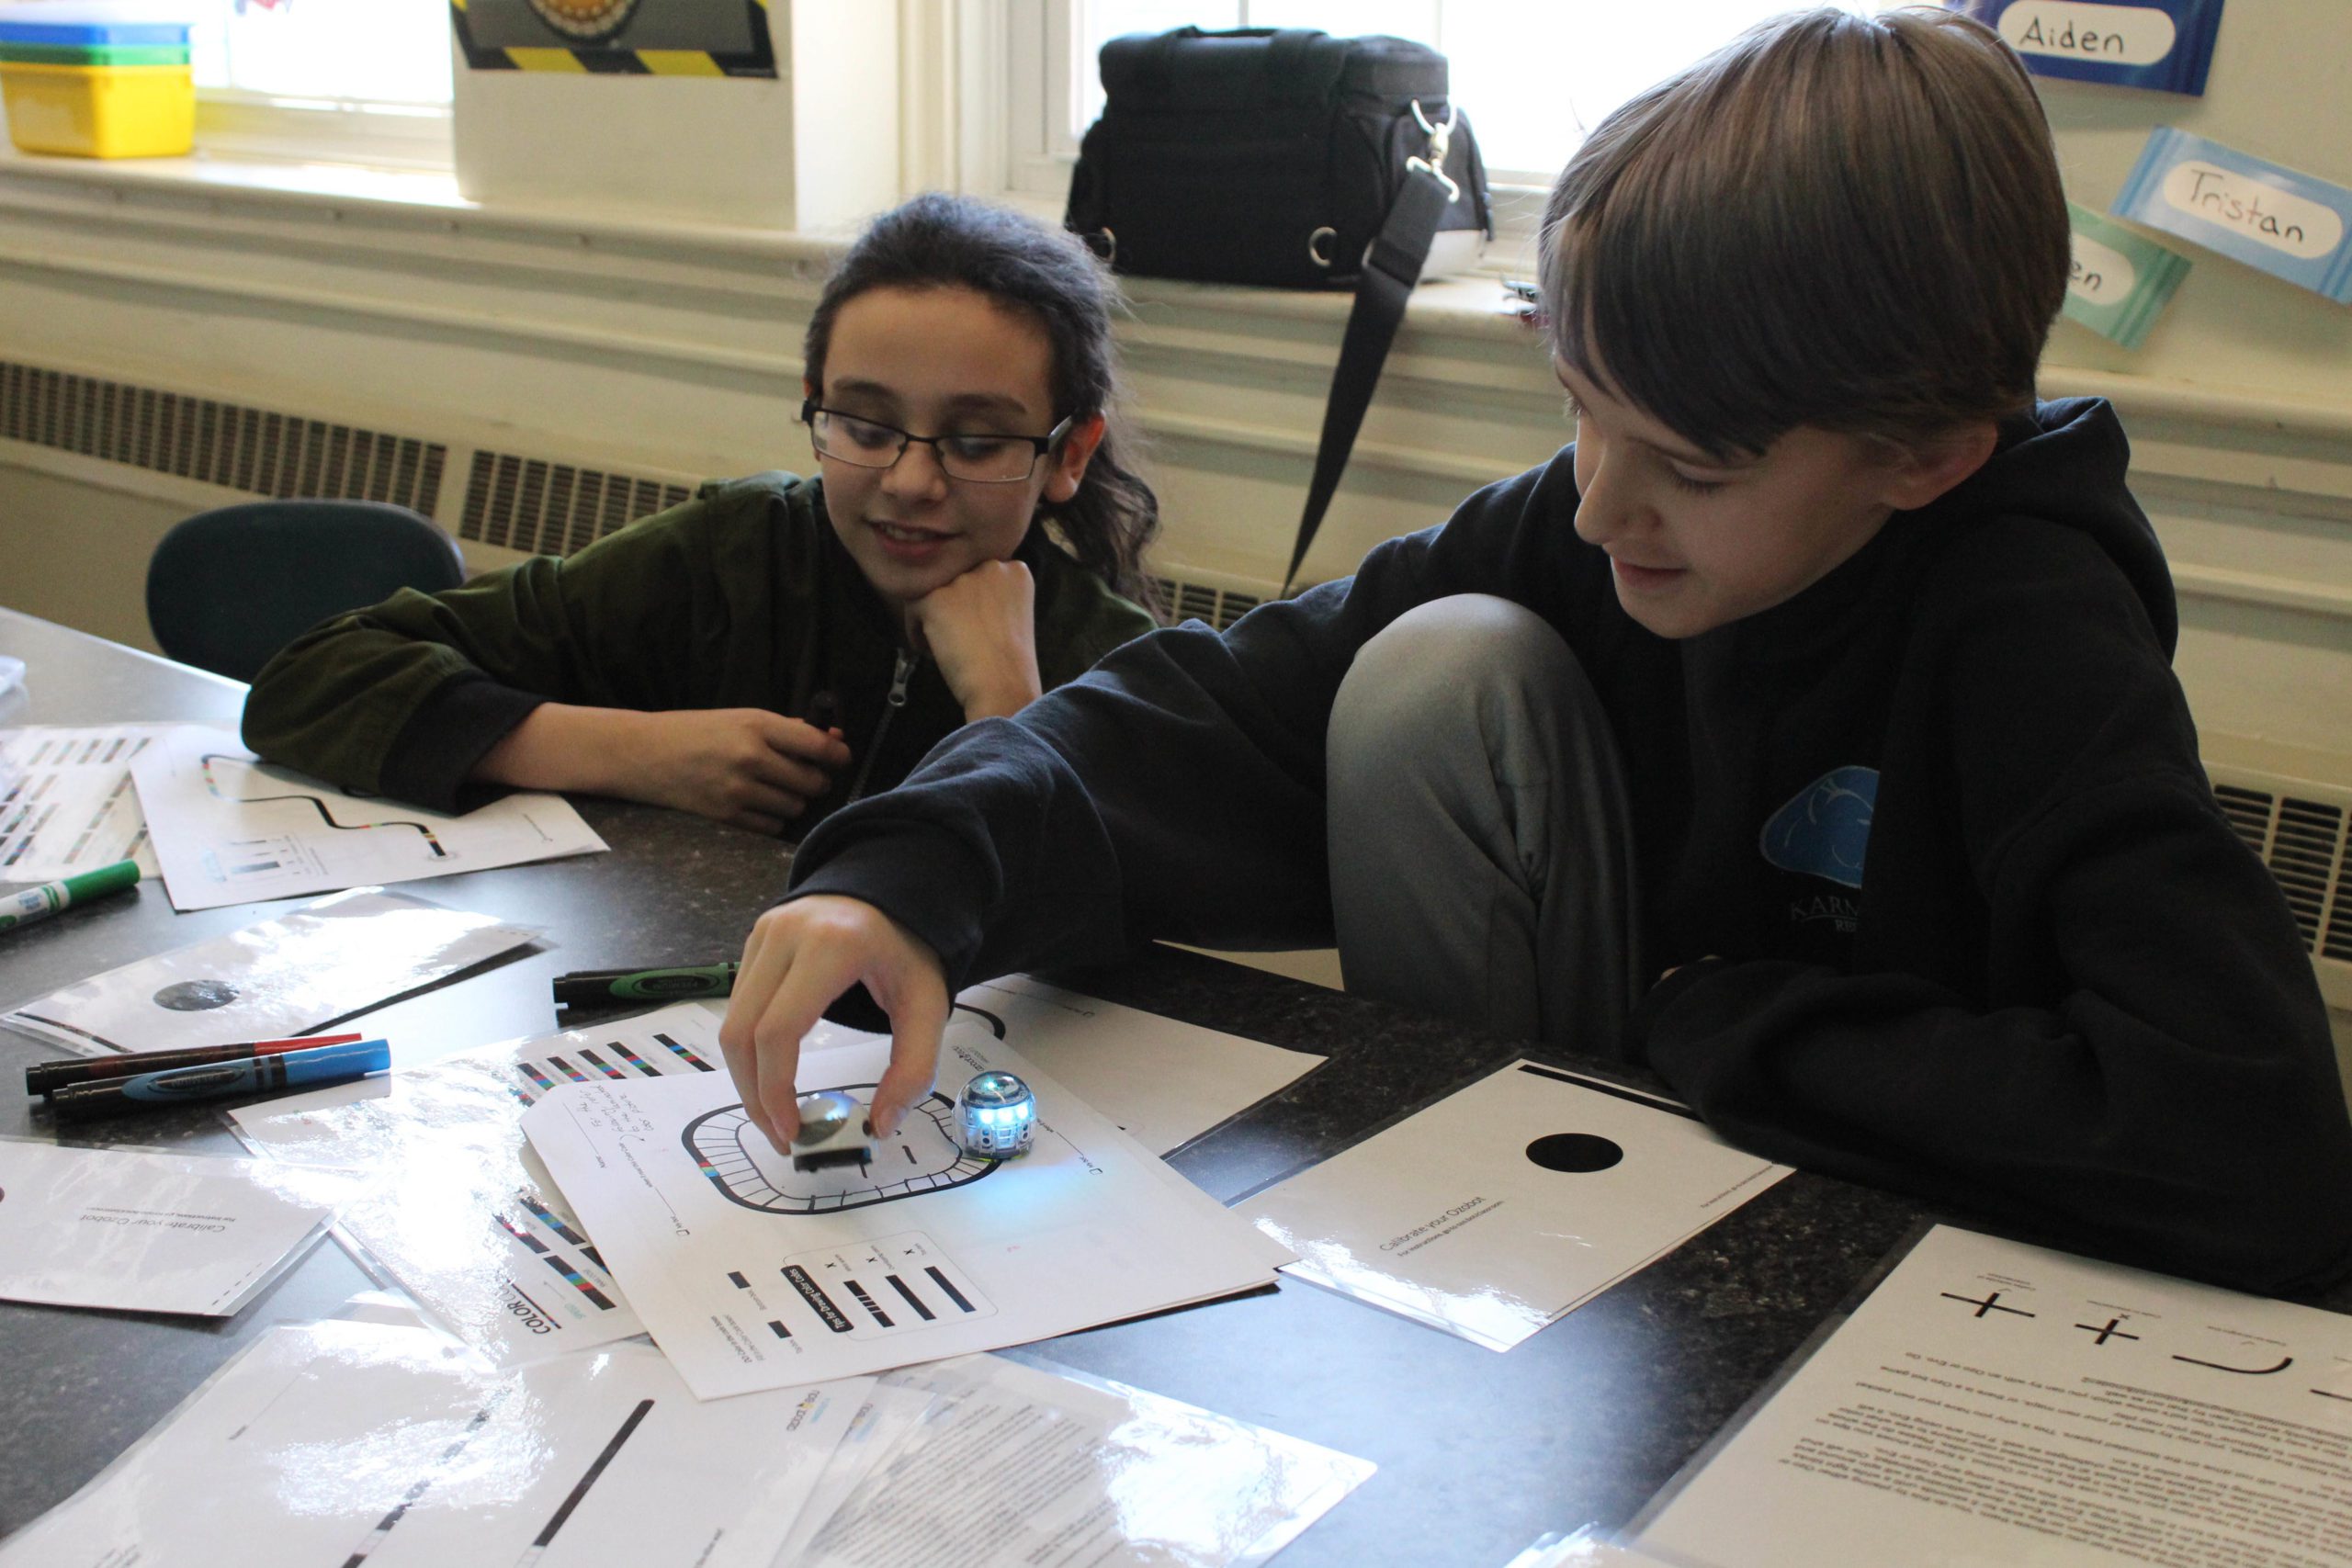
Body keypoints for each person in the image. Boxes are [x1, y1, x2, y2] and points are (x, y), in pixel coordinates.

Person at [716, 9, 2352, 1292]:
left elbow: (2247, 1138)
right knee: (1441, 654)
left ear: (1922, 457)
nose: (1600, 506)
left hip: (1931, 1242)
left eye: (1695, 468)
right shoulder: (1584, 517)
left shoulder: (2029, 623)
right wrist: (911, 868)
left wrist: (1709, 1017)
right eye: (1579, 410)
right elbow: (1212, 702)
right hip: (1625, 1178)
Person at [241, 193, 1160, 837]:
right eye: (867, 426)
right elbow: (312, 681)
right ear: (816, 404)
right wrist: (624, 751)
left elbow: (1112, 920)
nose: (911, 483)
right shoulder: (730, 557)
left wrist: (1006, 709)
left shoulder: (1110, 658)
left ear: (1067, 454)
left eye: (976, 443)